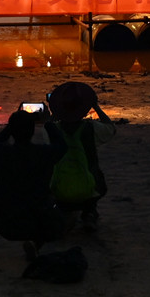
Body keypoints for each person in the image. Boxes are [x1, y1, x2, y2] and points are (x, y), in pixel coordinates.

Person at [0, 105, 62, 259]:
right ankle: (36, 243)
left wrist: (13, 125)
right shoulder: (44, 153)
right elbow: (62, 145)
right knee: (54, 203)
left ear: (12, 131)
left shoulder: (2, 153)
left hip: (7, 225)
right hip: (38, 224)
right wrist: (48, 122)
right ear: (32, 131)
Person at [43, 79, 107, 234]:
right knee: (98, 177)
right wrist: (96, 107)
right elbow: (110, 128)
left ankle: (67, 212)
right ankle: (89, 212)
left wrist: (54, 113)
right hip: (87, 187)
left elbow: (48, 127)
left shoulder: (53, 131)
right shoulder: (90, 129)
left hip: (60, 189)